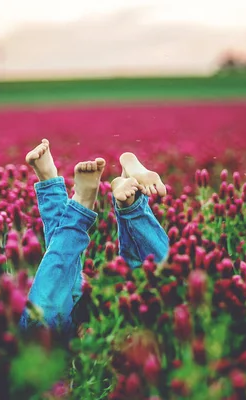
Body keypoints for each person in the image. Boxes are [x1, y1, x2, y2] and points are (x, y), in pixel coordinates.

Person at [18, 139, 169, 338]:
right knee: (166, 296)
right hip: (120, 321)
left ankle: (77, 199)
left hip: (86, 327)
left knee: (40, 327)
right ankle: (130, 206)